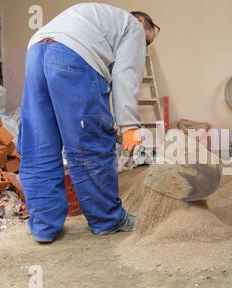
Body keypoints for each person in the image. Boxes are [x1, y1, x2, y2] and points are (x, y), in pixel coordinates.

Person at [18, 3, 160, 243]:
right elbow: (125, 74)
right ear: (142, 23)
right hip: (73, 57)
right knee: (89, 145)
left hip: (36, 51)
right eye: (147, 42)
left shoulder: (100, 20)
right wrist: (130, 126)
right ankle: (108, 220)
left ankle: (44, 226)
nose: (144, 48)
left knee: (39, 144)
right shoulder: (132, 27)